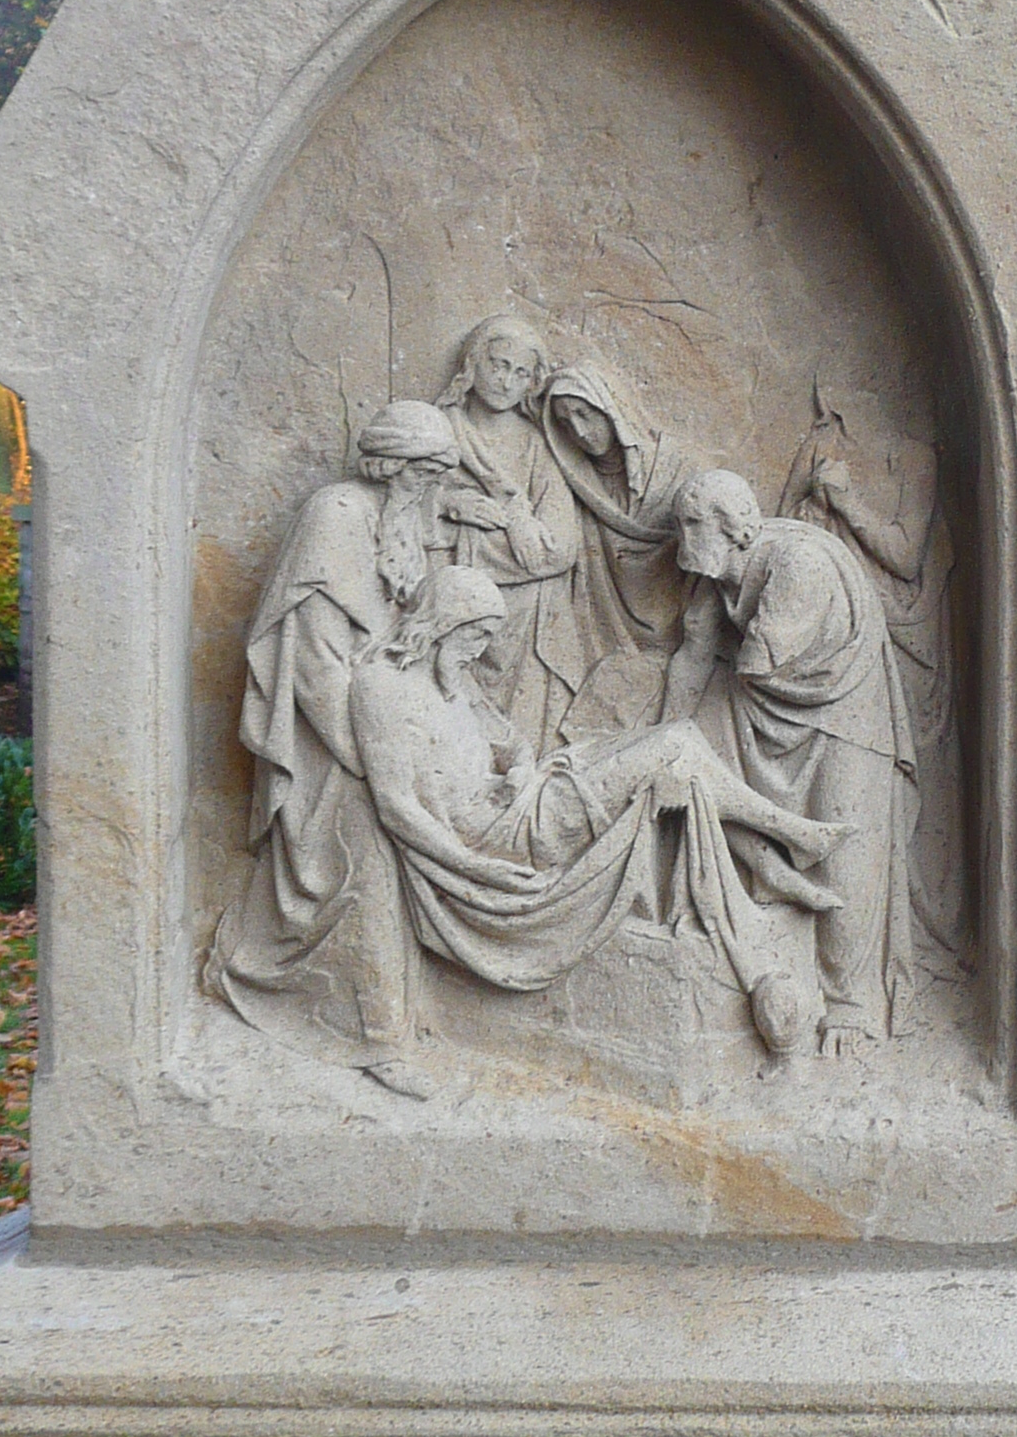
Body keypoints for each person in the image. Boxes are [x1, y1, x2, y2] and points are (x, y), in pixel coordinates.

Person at [351, 569, 842, 1062]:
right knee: (674, 746)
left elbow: (513, 743)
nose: (480, 650)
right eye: (475, 634)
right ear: (444, 621)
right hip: (498, 836)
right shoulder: (381, 688)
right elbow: (396, 806)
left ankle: (780, 854)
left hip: (527, 796)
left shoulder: (455, 678)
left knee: (681, 750)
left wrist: (518, 769)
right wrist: (473, 867)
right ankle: (788, 840)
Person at [205, 400, 460, 1095]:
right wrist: (369, 763)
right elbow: (317, 667)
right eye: (426, 471)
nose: (433, 486)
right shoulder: (337, 514)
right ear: (391, 465)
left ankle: (404, 1012)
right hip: (326, 742)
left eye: (440, 472)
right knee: (367, 858)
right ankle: (376, 1037)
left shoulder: (402, 518)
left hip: (377, 724)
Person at [661, 469, 917, 1053]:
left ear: (736, 529)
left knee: (846, 852)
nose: (684, 538)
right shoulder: (717, 571)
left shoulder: (797, 564)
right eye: (681, 524)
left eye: (694, 525)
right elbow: (693, 656)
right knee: (705, 782)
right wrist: (668, 737)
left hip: (841, 711)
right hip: (765, 705)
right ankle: (758, 956)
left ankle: (850, 1005)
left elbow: (757, 660)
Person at [779, 386, 969, 959]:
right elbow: (783, 527)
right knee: (843, 788)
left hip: (903, 636)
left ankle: (913, 932)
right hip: (836, 641)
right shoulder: (822, 446)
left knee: (902, 794)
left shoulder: (913, 455)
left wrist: (845, 503)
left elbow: (906, 557)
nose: (829, 412)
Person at [436, 315, 584, 754]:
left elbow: (560, 547)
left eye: (520, 373)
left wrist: (491, 530)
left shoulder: (534, 445)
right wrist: (453, 505)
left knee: (524, 737)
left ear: (531, 383)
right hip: (456, 602)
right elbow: (406, 505)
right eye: (498, 365)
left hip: (528, 617)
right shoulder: (441, 430)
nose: (506, 381)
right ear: (473, 364)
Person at [539, 359, 699, 740]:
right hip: (605, 624)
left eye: (584, 414)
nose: (579, 431)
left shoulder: (674, 467)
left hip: (678, 620)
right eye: (565, 423)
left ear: (610, 404)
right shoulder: (580, 484)